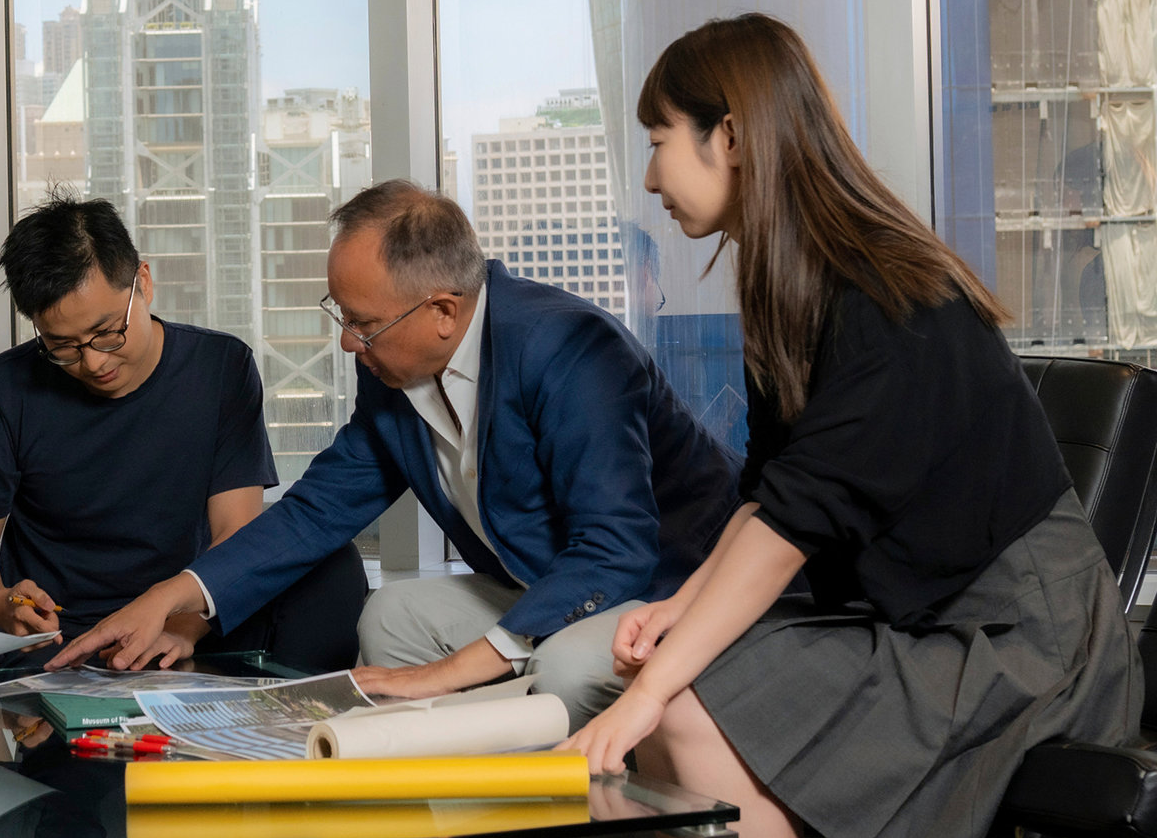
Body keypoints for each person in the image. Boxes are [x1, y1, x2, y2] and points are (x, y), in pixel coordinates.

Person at [558, 13, 1141, 838]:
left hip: (1023, 637)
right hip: (921, 612)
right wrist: (678, 610)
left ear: (731, 136)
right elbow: (769, 491)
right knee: (671, 693)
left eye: (658, 141)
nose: (649, 178)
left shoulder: (887, 301)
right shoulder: (792, 294)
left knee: (679, 703)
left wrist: (655, 687)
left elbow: (794, 526)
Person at [50, 181, 740, 729]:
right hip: (542, 583)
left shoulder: (571, 348)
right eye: (341, 316)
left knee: (561, 665)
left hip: (662, 589)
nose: (348, 342)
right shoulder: (393, 366)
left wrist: (451, 670)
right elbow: (317, 510)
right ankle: (448, 826)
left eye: (363, 324)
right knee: (390, 617)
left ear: (443, 309)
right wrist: (171, 597)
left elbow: (616, 549)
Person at [0, 193, 367, 672]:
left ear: (142, 283)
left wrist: (184, 629)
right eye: (61, 347)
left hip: (186, 619)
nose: (93, 362)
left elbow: (236, 530)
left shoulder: (220, 367)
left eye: (107, 332)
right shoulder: (6, 387)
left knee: (332, 568)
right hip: (62, 638)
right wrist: (2, 602)